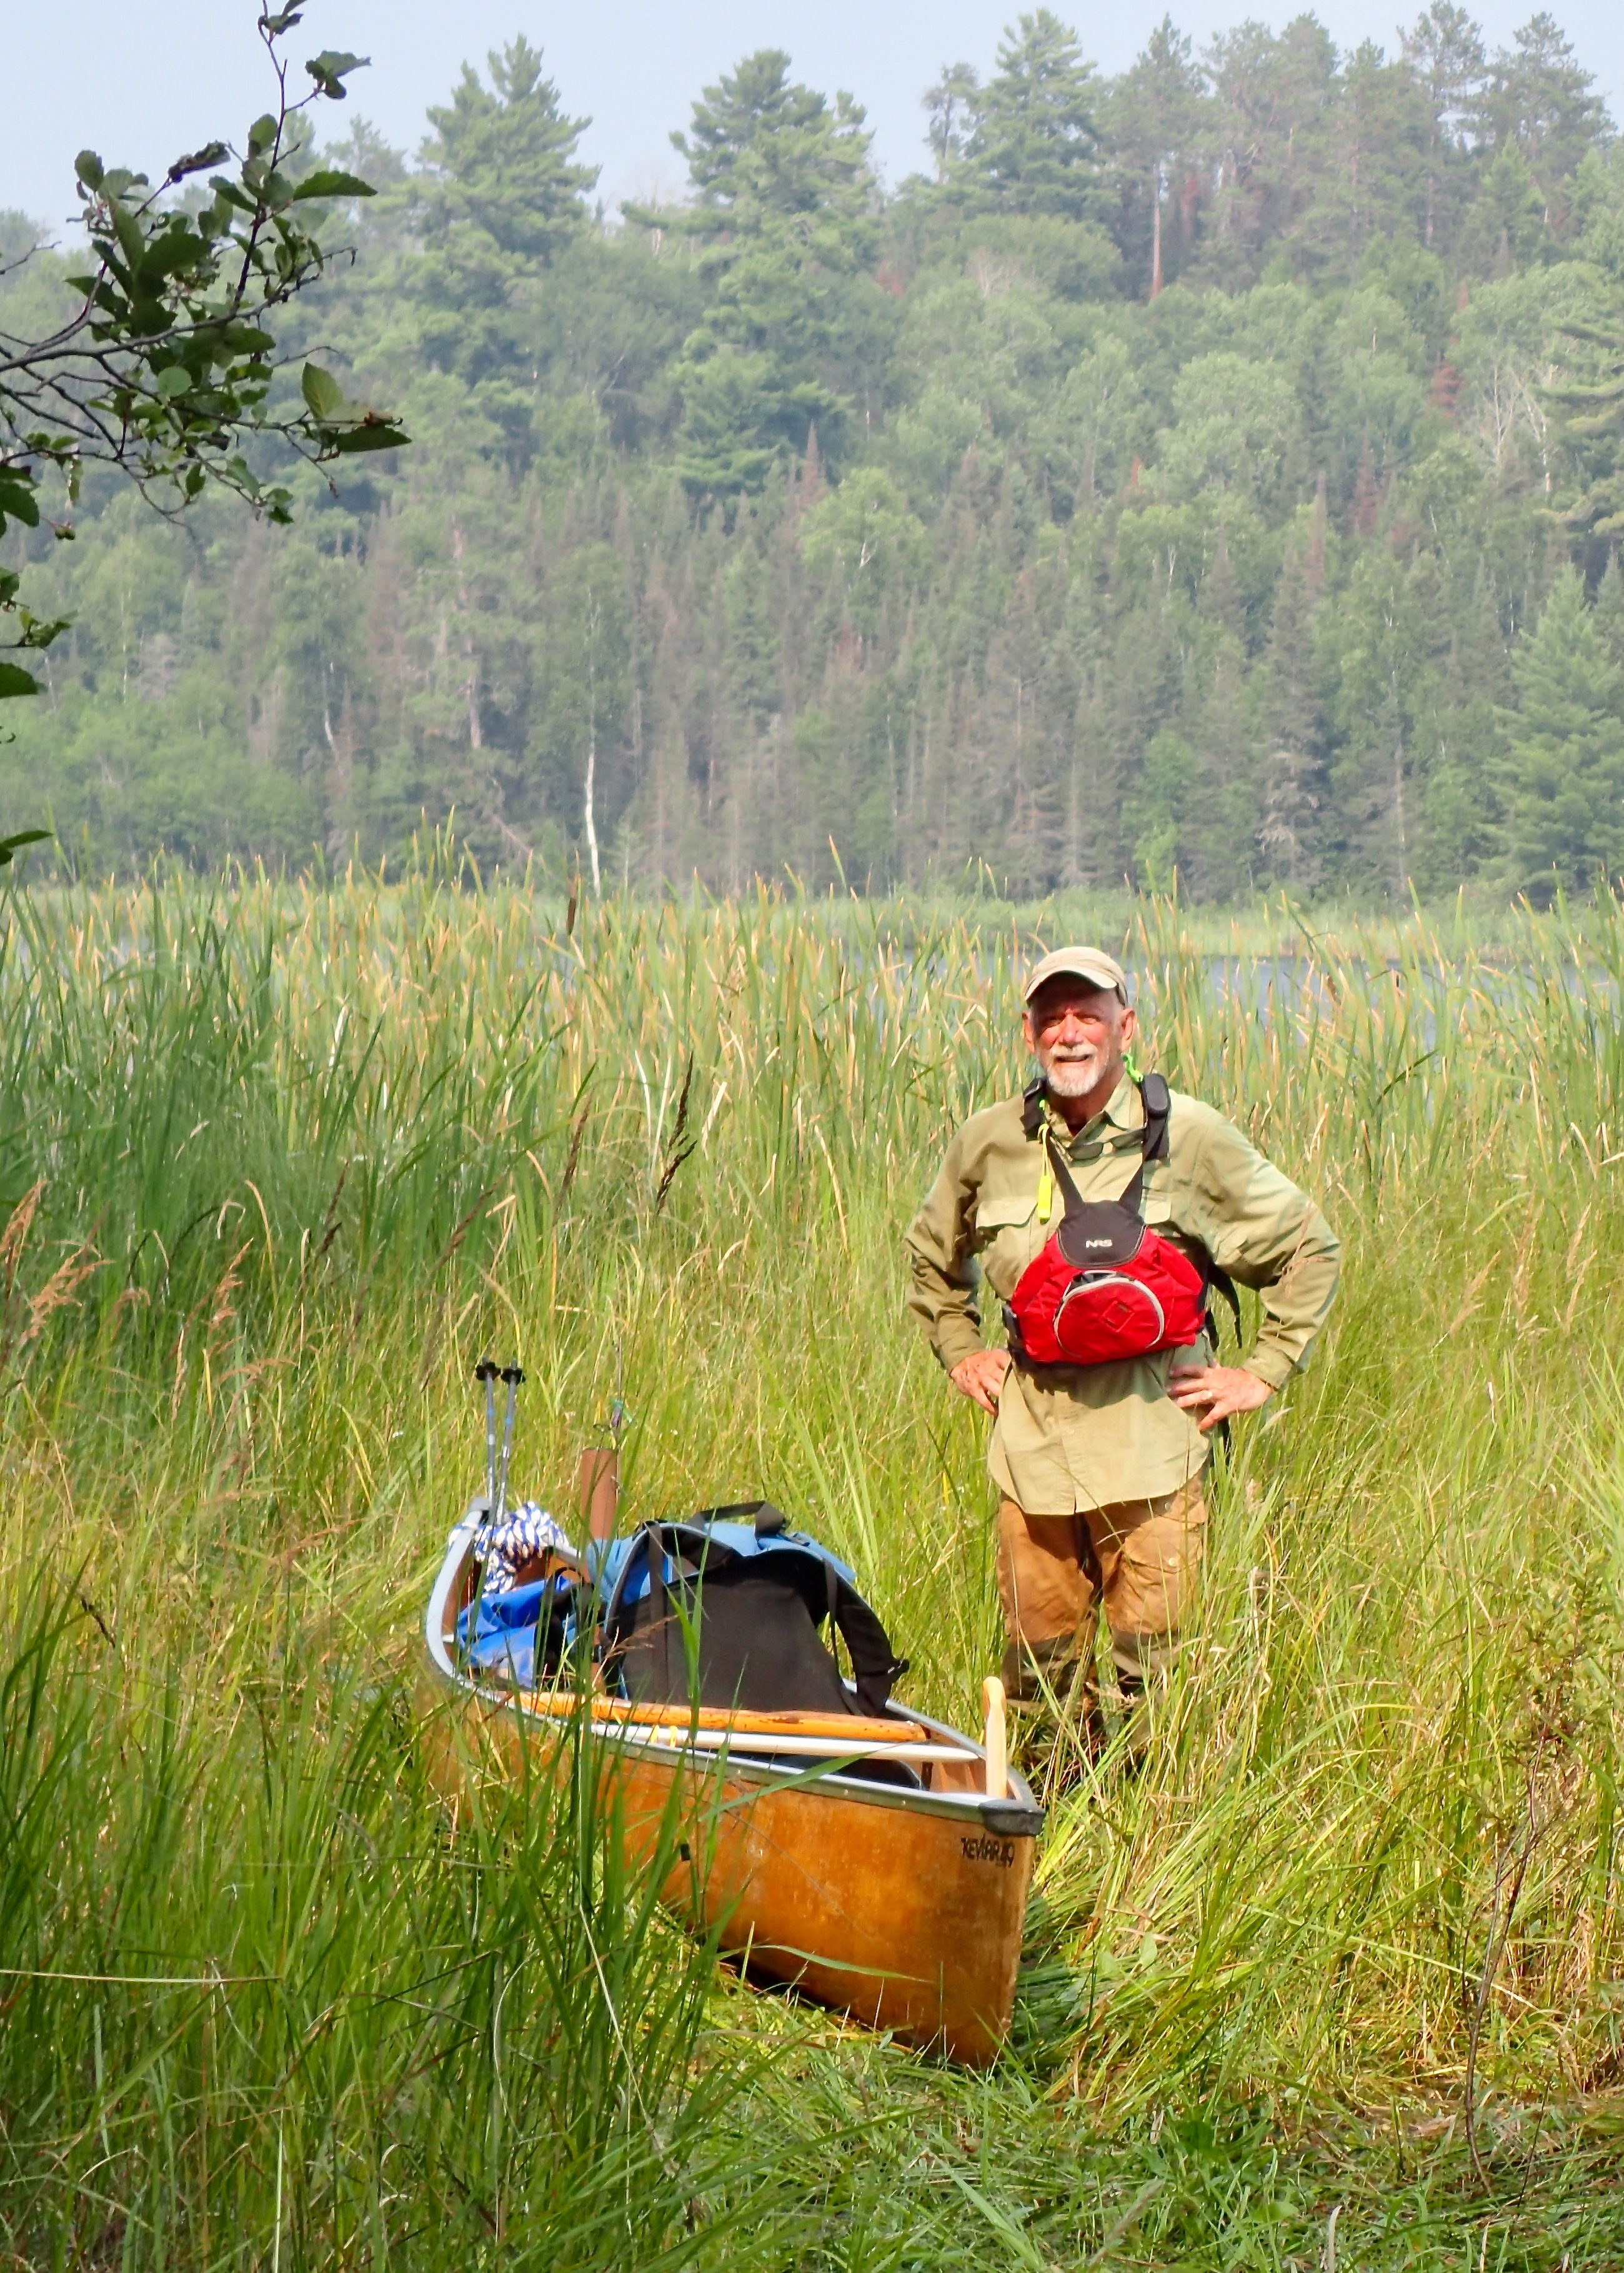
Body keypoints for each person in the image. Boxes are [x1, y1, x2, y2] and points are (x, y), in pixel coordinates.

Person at [905, 946, 1339, 1753]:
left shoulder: (1190, 1136)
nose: (1070, 1033)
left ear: (1125, 1027)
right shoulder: (991, 1141)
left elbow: (1310, 1246)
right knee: (1039, 1685)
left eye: (1089, 1014)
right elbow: (932, 1259)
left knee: (1154, 1683)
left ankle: (1146, 1850)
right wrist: (961, 1346)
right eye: (1053, 1016)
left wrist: (1264, 1370)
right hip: (1032, 1456)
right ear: (1030, 1031)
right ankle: (1047, 1838)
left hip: (1156, 1450)